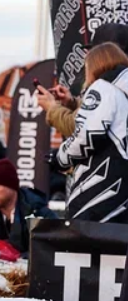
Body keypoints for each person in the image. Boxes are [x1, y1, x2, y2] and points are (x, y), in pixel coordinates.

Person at [51, 42, 128, 222]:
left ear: (94, 65)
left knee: (86, 238)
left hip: (103, 195)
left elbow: (87, 135)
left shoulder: (103, 87)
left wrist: (59, 158)